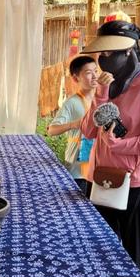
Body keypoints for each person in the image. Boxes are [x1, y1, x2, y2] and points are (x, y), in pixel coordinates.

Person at [80, 20, 140, 277]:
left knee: (135, 262)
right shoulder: (108, 86)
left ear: (129, 52)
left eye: (109, 53)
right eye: (100, 54)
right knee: (100, 257)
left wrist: (122, 146)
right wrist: (101, 93)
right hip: (101, 181)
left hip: (136, 187)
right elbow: (88, 131)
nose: (102, 60)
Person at [47, 55, 98, 194]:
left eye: (96, 71)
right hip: (77, 169)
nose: (94, 76)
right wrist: (75, 124)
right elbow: (51, 130)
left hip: (99, 166)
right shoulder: (72, 103)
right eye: (88, 73)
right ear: (76, 78)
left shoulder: (103, 99)